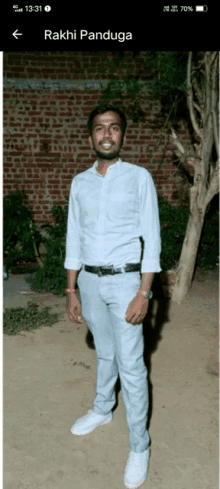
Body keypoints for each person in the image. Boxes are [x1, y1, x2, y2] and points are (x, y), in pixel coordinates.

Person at [64, 104, 161, 489]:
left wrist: (144, 291)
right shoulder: (79, 182)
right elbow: (74, 237)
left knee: (132, 365)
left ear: (122, 135)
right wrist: (71, 289)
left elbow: (151, 240)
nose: (107, 134)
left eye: (114, 128)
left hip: (126, 283)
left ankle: (140, 445)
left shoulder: (139, 178)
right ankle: (103, 409)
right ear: (90, 138)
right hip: (88, 281)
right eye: (100, 128)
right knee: (104, 352)